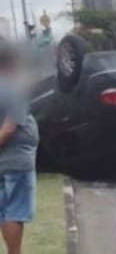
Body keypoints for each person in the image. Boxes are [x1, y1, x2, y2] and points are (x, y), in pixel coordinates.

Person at [0, 42, 39, 254]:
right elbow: (8, 128)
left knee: (4, 211)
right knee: (14, 212)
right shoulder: (12, 88)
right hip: (15, 159)